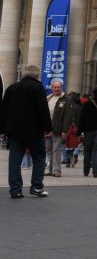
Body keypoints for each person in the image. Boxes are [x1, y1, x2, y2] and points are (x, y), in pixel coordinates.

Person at [0, 64, 52, 198]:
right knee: (39, 158)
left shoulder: (12, 88)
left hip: (15, 132)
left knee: (15, 161)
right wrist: (48, 127)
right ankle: (36, 187)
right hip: (34, 131)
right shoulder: (38, 87)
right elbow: (42, 110)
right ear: (36, 76)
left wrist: (2, 129)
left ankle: (15, 190)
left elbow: (3, 110)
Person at [46, 79, 70, 177]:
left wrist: (65, 131)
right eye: (55, 87)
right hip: (48, 130)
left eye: (58, 87)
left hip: (58, 130)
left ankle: (57, 170)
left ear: (61, 88)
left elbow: (68, 117)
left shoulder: (66, 99)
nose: (56, 89)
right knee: (49, 150)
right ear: (52, 88)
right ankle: (50, 170)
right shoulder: (48, 98)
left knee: (57, 150)